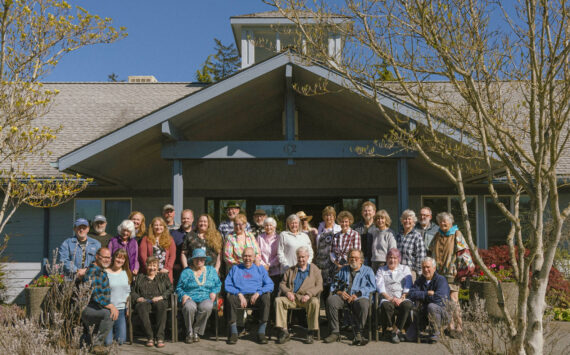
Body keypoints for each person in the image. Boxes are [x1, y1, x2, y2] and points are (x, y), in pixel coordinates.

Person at [429, 212, 469, 336]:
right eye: (440, 221)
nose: (443, 223)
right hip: (440, 273)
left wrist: (464, 272)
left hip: (453, 272)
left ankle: (459, 326)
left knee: (453, 299)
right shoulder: (437, 235)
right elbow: (430, 251)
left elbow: (464, 254)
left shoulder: (457, 234)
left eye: (445, 221)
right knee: (445, 299)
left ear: (451, 222)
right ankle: (450, 325)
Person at [324, 249, 375, 345]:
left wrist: (358, 294)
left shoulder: (368, 271)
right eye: (351, 257)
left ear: (361, 260)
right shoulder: (343, 269)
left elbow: (372, 287)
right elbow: (334, 284)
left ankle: (359, 332)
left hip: (359, 298)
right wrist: (339, 292)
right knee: (331, 300)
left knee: (364, 304)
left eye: (356, 257)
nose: (353, 259)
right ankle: (335, 332)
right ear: (348, 259)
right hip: (344, 297)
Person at [224, 247, 274, 345]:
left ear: (254, 257)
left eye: (250, 256)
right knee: (230, 298)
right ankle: (234, 332)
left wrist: (258, 293)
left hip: (255, 296)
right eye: (245, 256)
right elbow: (227, 285)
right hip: (240, 296)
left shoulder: (260, 269)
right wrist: (239, 294)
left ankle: (261, 332)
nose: (247, 258)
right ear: (242, 257)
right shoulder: (235, 268)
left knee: (266, 297)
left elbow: (270, 284)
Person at [275, 246, 323, 344]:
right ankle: (284, 331)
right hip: (293, 298)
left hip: (307, 299)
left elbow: (319, 286)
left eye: (303, 257)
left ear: (308, 257)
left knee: (314, 302)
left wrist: (309, 295)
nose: (301, 259)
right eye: (299, 257)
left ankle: (310, 331)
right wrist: (288, 292)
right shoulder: (291, 270)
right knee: (278, 300)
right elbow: (282, 284)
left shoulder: (314, 269)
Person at [176, 249, 222, 343]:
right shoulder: (186, 272)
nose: (199, 261)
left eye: (202, 259)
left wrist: (214, 291)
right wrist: (183, 295)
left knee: (207, 306)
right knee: (189, 307)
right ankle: (189, 332)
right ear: (192, 260)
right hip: (190, 297)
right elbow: (178, 288)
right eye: (196, 259)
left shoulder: (211, 271)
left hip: (206, 297)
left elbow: (218, 284)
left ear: (205, 260)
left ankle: (196, 331)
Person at [80, 247, 118, 354]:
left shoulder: (101, 271)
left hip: (96, 307)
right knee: (108, 313)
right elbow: (96, 294)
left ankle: (89, 341)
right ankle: (97, 346)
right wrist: (111, 306)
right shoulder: (93, 271)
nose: (107, 260)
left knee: (109, 312)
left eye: (109, 257)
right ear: (97, 257)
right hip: (88, 308)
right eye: (104, 257)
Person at [130, 256, 173, 348]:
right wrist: (137, 298)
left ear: (158, 267)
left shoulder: (163, 277)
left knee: (161, 305)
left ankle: (160, 337)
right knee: (141, 306)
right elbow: (133, 291)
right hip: (144, 301)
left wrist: (161, 297)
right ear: (146, 266)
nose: (152, 268)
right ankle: (150, 337)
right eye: (150, 265)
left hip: (159, 300)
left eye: (154, 266)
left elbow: (170, 288)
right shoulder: (140, 277)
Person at [406, 257, 450, 343]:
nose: (425, 270)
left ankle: (435, 333)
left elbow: (440, 298)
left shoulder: (441, 280)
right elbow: (411, 294)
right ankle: (420, 330)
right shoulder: (420, 280)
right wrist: (427, 293)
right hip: (423, 311)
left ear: (434, 268)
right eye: (423, 267)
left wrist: (422, 296)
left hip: (442, 313)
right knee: (409, 337)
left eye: (428, 267)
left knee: (431, 306)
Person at [375, 248, 412, 344]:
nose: (392, 260)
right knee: (386, 306)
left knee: (407, 305)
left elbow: (408, 284)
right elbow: (379, 285)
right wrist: (389, 298)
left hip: (402, 297)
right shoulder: (381, 270)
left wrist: (402, 298)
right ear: (387, 258)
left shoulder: (405, 268)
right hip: (388, 297)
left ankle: (395, 331)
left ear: (399, 259)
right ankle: (392, 330)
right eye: (390, 257)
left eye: (395, 258)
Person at [104, 249, 132, 346]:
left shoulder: (126, 273)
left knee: (121, 341)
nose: (120, 260)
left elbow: (128, 293)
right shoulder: (105, 272)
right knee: (108, 343)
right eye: (118, 257)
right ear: (113, 258)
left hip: (121, 310)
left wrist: (128, 307)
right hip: (107, 310)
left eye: (123, 258)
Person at [314, 206, 341, 300]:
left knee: (333, 286)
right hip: (321, 263)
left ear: (334, 216)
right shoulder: (320, 229)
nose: (328, 218)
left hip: (333, 262)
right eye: (326, 215)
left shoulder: (338, 228)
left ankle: (332, 311)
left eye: (331, 215)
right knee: (322, 287)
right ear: (323, 217)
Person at [139, 217, 176, 283]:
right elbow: (142, 256)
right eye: (156, 225)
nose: (158, 227)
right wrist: (150, 268)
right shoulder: (146, 239)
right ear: (152, 227)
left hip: (164, 273)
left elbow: (172, 256)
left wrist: (168, 268)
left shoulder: (170, 239)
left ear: (164, 227)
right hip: (150, 273)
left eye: (161, 225)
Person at [396, 209, 426, 280]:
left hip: (411, 272)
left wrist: (419, 274)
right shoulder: (398, 235)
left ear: (413, 222)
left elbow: (421, 256)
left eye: (409, 219)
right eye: (405, 219)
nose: (407, 221)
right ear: (402, 221)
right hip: (398, 271)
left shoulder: (417, 236)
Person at [257, 217, 281, 303]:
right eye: (266, 225)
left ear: (274, 227)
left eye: (271, 225)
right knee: (264, 294)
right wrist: (264, 265)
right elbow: (257, 253)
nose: (268, 227)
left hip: (275, 271)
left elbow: (279, 255)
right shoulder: (260, 237)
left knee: (274, 294)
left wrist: (269, 265)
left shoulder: (278, 238)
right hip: (262, 270)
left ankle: (273, 315)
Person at [170, 209, 194, 283]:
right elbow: (169, 251)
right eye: (183, 218)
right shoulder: (173, 234)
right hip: (178, 271)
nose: (185, 220)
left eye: (188, 218)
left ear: (192, 219)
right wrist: (173, 265)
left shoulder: (197, 233)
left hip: (195, 270)